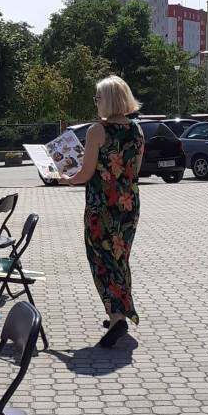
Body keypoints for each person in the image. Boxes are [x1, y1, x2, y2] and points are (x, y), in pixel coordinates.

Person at [59, 75, 144, 348]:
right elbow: (135, 170)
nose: (95, 102)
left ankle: (117, 317)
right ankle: (120, 312)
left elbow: (85, 173)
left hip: (102, 206)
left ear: (108, 100)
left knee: (101, 260)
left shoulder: (97, 131)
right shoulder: (137, 130)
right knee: (120, 258)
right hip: (128, 204)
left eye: (98, 98)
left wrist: (64, 179)